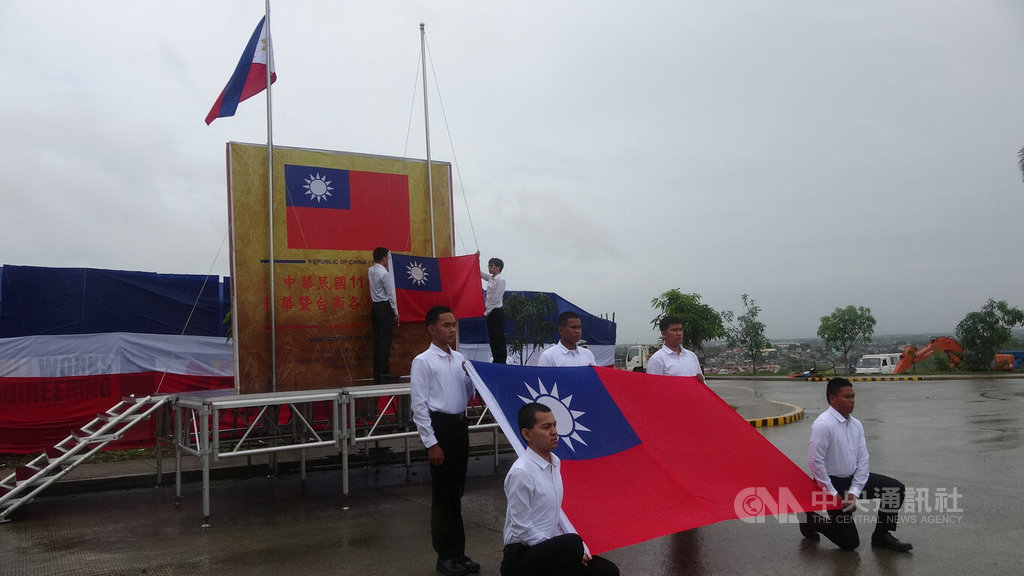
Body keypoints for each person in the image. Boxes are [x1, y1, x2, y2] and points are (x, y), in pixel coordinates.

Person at [501, 402, 619, 576]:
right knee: (571, 544)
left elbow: (555, 519)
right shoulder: (522, 472)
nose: (554, 431)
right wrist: (565, 549)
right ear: (527, 434)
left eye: (554, 425)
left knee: (608, 571)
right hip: (521, 556)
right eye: (546, 427)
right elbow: (521, 529)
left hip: (550, 549)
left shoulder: (555, 463)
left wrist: (580, 550)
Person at [799, 377, 913, 552]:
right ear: (832, 398)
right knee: (849, 543)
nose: (852, 400)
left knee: (895, 488)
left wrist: (854, 492)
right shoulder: (823, 425)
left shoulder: (856, 424)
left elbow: (863, 459)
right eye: (847, 397)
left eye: (853, 396)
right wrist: (832, 494)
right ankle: (813, 521)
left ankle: (882, 535)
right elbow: (816, 463)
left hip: (853, 481)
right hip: (832, 485)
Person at [410, 305, 480, 576]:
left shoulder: (459, 358)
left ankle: (459, 554)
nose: (452, 330)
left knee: (456, 495)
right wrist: (432, 443)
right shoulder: (423, 361)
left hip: (460, 426)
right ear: (431, 328)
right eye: (446, 325)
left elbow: (468, 393)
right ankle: (445, 557)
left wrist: (470, 375)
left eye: (454, 325)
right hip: (441, 428)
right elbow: (419, 405)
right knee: (443, 496)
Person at [368, 247, 398, 383]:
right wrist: (395, 312)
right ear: (384, 258)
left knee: (377, 341)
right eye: (387, 257)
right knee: (385, 341)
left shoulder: (371, 270)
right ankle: (385, 371)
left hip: (375, 307)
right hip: (384, 307)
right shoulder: (384, 274)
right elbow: (390, 294)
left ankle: (378, 371)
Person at [645, 315, 705, 381]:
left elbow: (702, 382)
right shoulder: (657, 359)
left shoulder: (691, 356)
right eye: (674, 330)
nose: (679, 333)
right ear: (664, 334)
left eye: (680, 329)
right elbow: (654, 386)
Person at [480, 254, 507, 364]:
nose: (489, 268)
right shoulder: (491, 278)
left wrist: (487, 312)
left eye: (491, 266)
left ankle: (501, 360)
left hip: (495, 311)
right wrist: (476, 258)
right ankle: (496, 358)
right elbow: (480, 274)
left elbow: (497, 298)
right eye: (489, 266)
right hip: (490, 312)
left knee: (498, 337)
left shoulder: (501, 280)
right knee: (492, 337)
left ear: (498, 268)